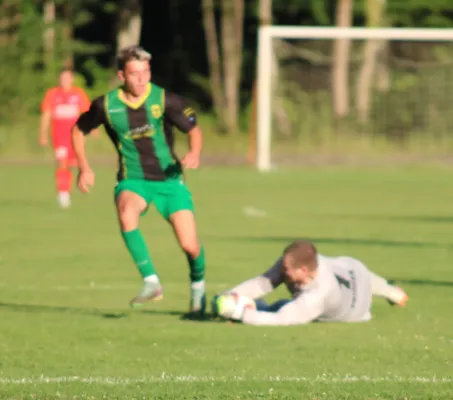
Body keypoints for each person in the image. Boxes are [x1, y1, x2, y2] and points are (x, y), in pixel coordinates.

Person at [71, 45, 206, 314]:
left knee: (190, 245)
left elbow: (194, 129)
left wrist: (194, 152)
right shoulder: (106, 105)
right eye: (135, 73)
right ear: (122, 76)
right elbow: (78, 130)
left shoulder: (165, 100)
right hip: (133, 180)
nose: (142, 79)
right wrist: (84, 167)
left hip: (170, 181)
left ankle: (198, 285)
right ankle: (151, 281)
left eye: (146, 72)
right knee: (126, 212)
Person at [213, 239, 408, 325]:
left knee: (282, 307)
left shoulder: (319, 293)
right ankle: (394, 292)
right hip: (351, 268)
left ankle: (392, 292)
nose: (282, 271)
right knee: (361, 274)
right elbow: (263, 283)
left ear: (304, 270)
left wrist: (241, 314)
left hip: (357, 310)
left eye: (287, 269)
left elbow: (282, 320)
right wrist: (231, 295)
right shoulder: (294, 263)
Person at [39, 67, 93, 208]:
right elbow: (46, 114)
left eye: (67, 78)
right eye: (62, 78)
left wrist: (92, 128)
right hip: (59, 137)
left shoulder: (78, 94)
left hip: (75, 137)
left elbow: (87, 112)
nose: (64, 81)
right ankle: (63, 194)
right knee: (62, 163)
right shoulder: (52, 94)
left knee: (74, 163)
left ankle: (78, 185)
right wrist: (43, 134)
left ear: (72, 79)